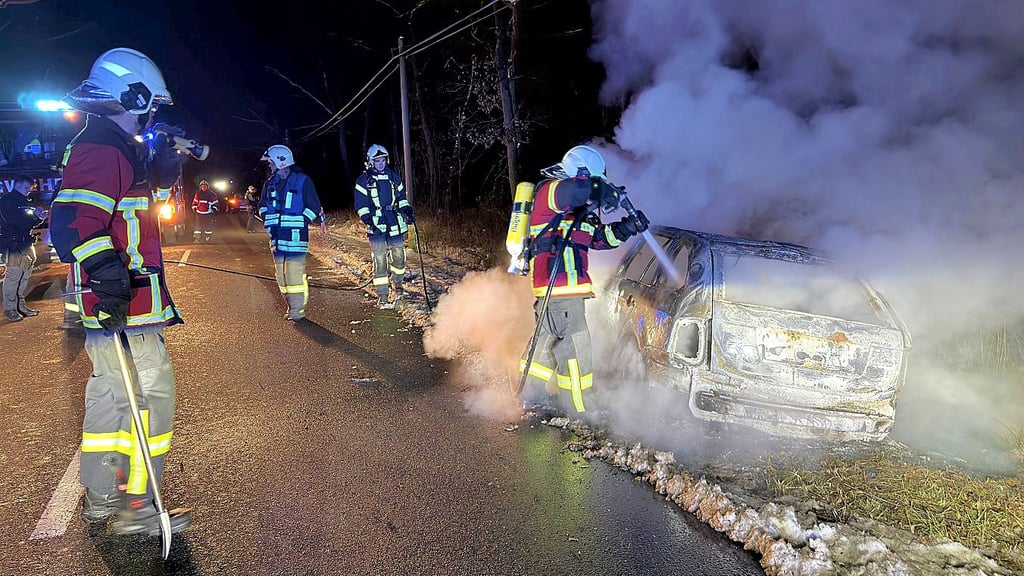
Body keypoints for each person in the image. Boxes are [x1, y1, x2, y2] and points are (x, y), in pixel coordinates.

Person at [50, 47, 191, 536]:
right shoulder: (102, 149)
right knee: (152, 397)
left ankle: (102, 497)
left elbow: (131, 213)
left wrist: (163, 173)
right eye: (149, 105)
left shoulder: (112, 147)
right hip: (124, 304)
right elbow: (73, 222)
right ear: (133, 97)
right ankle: (139, 505)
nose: (150, 116)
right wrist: (107, 275)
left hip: (115, 302)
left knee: (111, 395)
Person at [518, 145, 649, 416]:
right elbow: (576, 190)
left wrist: (627, 227)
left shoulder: (579, 214)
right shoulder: (550, 192)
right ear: (580, 173)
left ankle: (531, 396)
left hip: (558, 292)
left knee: (547, 343)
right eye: (593, 180)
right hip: (560, 288)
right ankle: (581, 409)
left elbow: (600, 239)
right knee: (576, 349)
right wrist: (604, 190)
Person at [258, 144, 324, 321]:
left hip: (295, 238)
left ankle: (297, 309)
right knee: (281, 277)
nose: (269, 165)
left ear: (280, 162)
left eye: (271, 162)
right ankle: (290, 304)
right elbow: (263, 206)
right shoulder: (270, 184)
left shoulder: (303, 181)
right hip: (276, 238)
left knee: (294, 274)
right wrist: (266, 219)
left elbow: (314, 207)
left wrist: (302, 221)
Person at [353, 144, 415, 309]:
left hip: (394, 222)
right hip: (376, 225)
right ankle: (383, 295)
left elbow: (401, 198)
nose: (380, 163)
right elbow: (361, 204)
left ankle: (398, 286)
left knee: (399, 256)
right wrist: (368, 220)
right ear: (371, 162)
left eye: (383, 160)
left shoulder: (393, 177)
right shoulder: (364, 180)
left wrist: (407, 210)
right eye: (377, 161)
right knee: (380, 260)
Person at [0, 174, 46, 321]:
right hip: (15, 244)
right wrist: (36, 217)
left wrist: (37, 218)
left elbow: (26, 223)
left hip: (25, 242)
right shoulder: (8, 201)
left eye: (29, 189)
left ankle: (20, 306)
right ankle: (10, 309)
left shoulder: (22, 201)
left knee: (24, 276)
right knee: (14, 277)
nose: (28, 191)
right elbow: (18, 223)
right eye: (26, 188)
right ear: (17, 185)